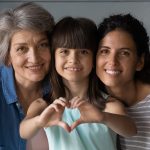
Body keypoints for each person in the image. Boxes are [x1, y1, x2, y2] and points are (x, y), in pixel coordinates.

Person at [19, 17, 136, 150]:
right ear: (54, 57)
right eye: (64, 51)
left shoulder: (108, 105)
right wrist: (39, 122)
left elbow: (130, 130)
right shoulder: (43, 105)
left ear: (94, 59)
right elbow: (24, 131)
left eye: (83, 52)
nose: (73, 59)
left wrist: (103, 117)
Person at [0, 2, 55, 150]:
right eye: (22, 49)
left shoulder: (63, 86)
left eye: (42, 45)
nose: (35, 58)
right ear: (7, 57)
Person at [96, 14, 150, 150]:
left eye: (124, 53)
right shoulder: (90, 101)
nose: (112, 61)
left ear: (139, 62)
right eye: (104, 51)